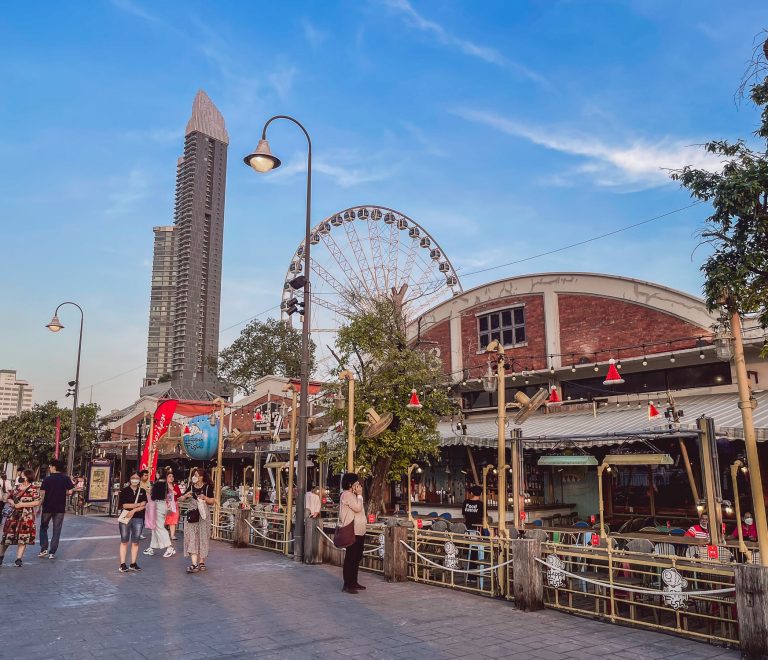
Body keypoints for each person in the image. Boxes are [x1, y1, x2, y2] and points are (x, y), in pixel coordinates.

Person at [0, 469, 41, 567]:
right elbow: (8, 497)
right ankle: (1, 556)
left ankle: (19, 559)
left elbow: (37, 502)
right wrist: (12, 503)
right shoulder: (17, 488)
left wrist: (23, 504)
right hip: (14, 516)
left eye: (22, 475)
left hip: (26, 516)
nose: (20, 477)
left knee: (23, 537)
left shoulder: (33, 489)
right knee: (7, 536)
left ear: (27, 477)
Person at [178, 469, 214, 573]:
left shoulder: (208, 487)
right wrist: (185, 496)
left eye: (197, 475)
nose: (195, 477)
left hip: (203, 516)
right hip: (192, 515)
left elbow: (212, 501)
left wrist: (205, 498)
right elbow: (180, 499)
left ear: (202, 477)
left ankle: (201, 561)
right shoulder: (191, 487)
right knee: (192, 538)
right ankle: (194, 564)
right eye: (194, 475)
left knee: (203, 537)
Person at [38, 459, 75, 560]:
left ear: (54, 467)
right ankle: (52, 552)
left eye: (50, 466)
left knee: (43, 527)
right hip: (60, 508)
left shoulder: (47, 479)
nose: (49, 468)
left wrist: (38, 507)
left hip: (47, 507)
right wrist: (64, 493)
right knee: (57, 530)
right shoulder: (66, 478)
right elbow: (71, 491)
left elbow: (42, 494)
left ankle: (44, 548)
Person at [339, 473, 367, 594]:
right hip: (353, 530)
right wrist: (360, 495)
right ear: (350, 484)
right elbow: (357, 508)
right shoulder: (347, 495)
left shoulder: (353, 495)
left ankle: (354, 581)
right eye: (356, 483)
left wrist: (359, 496)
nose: (358, 485)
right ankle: (348, 583)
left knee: (357, 556)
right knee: (351, 557)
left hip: (359, 530)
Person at [118, 472, 148, 572]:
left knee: (135, 541)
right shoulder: (125, 491)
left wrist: (134, 510)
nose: (135, 479)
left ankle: (133, 563)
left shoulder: (142, 491)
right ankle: (122, 564)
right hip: (125, 518)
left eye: (137, 478)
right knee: (124, 541)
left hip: (138, 518)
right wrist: (137, 505)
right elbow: (124, 505)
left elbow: (144, 505)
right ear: (130, 479)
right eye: (133, 477)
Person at [145, 472, 175, 558]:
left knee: (159, 527)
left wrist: (150, 491)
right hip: (164, 505)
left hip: (158, 505)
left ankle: (169, 547)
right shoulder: (167, 484)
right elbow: (170, 495)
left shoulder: (158, 483)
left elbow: (153, 496)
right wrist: (169, 504)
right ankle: (152, 547)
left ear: (159, 474)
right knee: (156, 527)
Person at [164, 471, 182, 541]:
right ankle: (163, 534)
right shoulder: (164, 486)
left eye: (172, 476)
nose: (171, 478)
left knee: (173, 519)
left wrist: (175, 492)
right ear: (166, 478)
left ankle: (172, 535)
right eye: (169, 476)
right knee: (164, 519)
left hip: (174, 504)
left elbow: (179, 495)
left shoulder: (175, 486)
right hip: (165, 504)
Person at [138, 469, 151, 539]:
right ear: (141, 476)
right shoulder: (138, 483)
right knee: (138, 518)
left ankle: (140, 533)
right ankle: (136, 532)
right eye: (145, 475)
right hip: (139, 503)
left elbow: (149, 492)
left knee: (142, 518)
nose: (147, 477)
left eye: (147, 475)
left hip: (146, 503)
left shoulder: (148, 483)